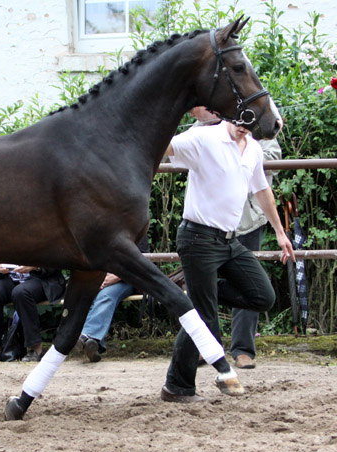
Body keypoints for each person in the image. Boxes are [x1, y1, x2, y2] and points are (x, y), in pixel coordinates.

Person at [160, 114, 294, 403]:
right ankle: (177, 387)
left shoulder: (254, 148)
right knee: (205, 317)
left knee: (262, 297)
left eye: (250, 121)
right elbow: (165, 146)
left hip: (230, 241)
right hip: (198, 238)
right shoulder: (204, 138)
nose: (243, 126)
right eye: (239, 119)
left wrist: (280, 233)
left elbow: (261, 190)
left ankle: (199, 294)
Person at [190, 107, 283, 369]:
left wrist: (240, 152)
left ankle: (243, 349)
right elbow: (188, 146)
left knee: (251, 286)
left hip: (247, 220)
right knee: (206, 283)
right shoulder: (209, 127)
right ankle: (207, 346)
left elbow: (273, 155)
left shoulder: (258, 123)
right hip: (210, 223)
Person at [76, 237, 149, 363]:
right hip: (103, 278)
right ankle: (94, 346)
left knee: (106, 295)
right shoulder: (102, 227)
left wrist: (117, 276)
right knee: (86, 293)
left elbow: (142, 260)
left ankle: (87, 336)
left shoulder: (137, 227)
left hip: (129, 279)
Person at [0, 265, 66, 363]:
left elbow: (55, 259)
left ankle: (36, 349)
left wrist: (34, 267)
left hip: (42, 280)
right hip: (11, 279)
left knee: (21, 292)